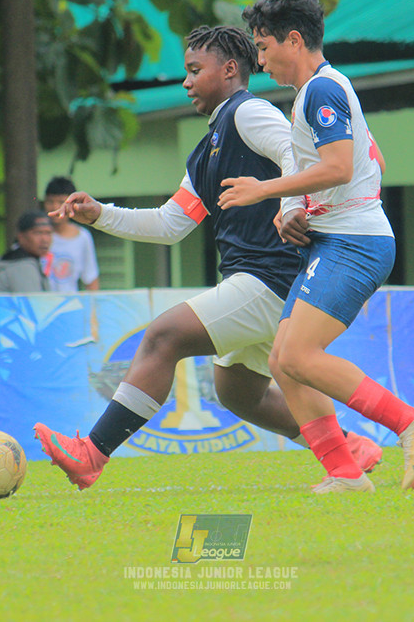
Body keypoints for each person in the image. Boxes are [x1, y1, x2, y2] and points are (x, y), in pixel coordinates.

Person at [33, 25, 383, 491]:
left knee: (164, 335)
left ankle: (91, 453)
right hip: (262, 278)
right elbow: (170, 223)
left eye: (195, 70)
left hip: (274, 276)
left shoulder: (249, 112)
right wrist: (99, 214)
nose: (186, 81)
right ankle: (348, 449)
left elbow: (295, 152)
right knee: (237, 390)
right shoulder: (210, 147)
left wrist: (292, 207)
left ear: (230, 70)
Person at [216, 0, 414, 492]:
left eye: (263, 46)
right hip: (339, 239)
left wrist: (266, 189)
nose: (260, 59)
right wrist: (294, 209)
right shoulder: (316, 93)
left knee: (297, 356)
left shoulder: (321, 90)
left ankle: (411, 423)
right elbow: (372, 162)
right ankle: (344, 472)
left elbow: (341, 167)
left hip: (355, 243)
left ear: (293, 40)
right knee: (283, 360)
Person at [42, 176, 100, 292]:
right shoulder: (37, 234)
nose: (55, 207)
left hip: (71, 305)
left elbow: (91, 278)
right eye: (50, 201)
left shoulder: (83, 237)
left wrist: (94, 307)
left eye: (61, 202)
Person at [0, 210, 54, 292]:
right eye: (38, 233)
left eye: (48, 233)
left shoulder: (26, 261)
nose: (44, 240)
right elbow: (33, 303)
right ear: (21, 236)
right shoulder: (22, 267)